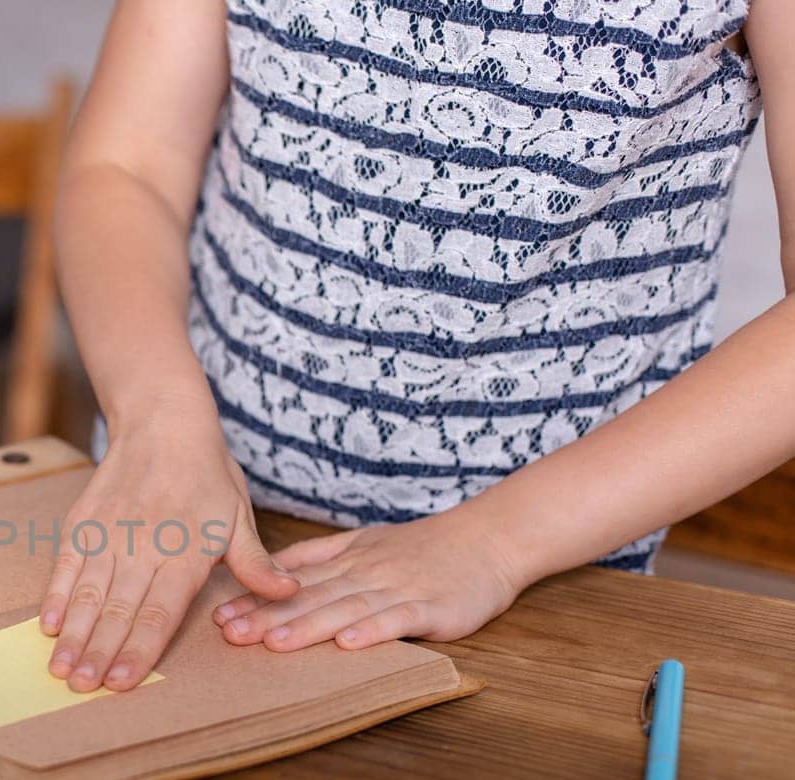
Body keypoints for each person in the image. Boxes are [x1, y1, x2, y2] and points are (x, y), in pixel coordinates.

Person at [43, 0, 793, 693]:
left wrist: (495, 546)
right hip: (192, 543)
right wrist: (157, 421)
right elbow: (127, 166)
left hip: (539, 587)